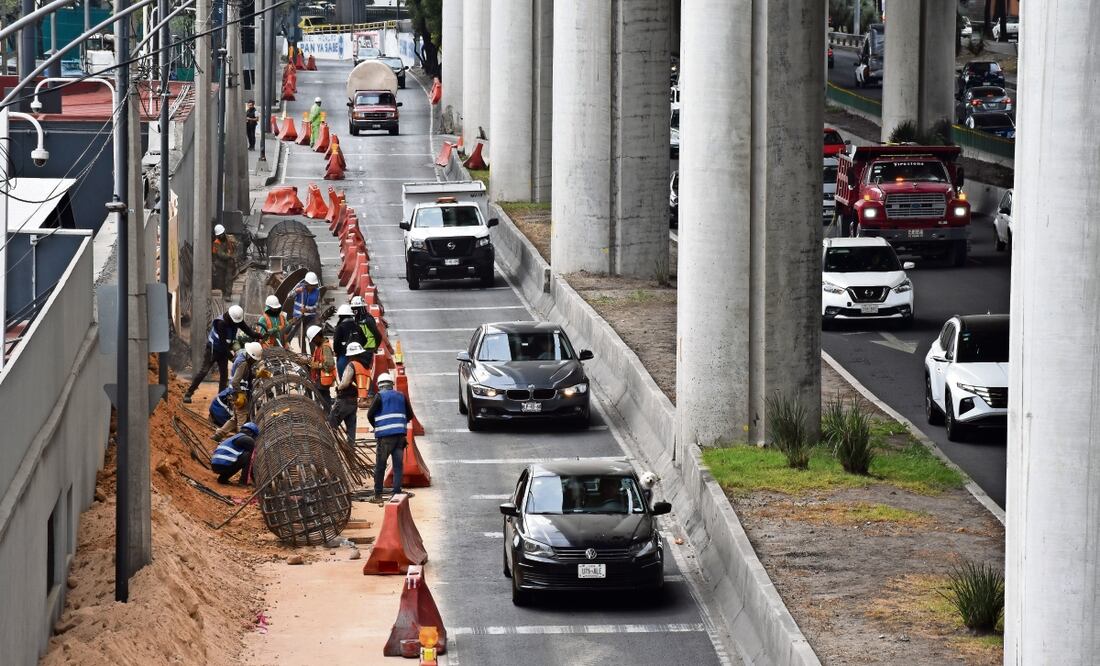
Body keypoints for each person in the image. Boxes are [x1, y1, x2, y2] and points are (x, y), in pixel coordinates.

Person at [184, 305, 260, 403]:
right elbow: (223, 344)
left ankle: (220, 398)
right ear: (230, 317)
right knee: (204, 371)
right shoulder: (221, 323)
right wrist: (232, 358)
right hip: (213, 350)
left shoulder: (236, 320)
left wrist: (259, 336)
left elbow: (248, 331)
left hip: (223, 350)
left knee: (224, 375)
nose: (236, 323)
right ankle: (188, 393)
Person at [366, 372, 416, 503]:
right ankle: (396, 494)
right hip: (400, 437)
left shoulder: (379, 396)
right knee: (398, 466)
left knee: (380, 466)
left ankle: (378, 496)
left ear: (379, 385)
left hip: (385, 438)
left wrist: (378, 425)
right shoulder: (401, 396)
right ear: (391, 384)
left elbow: (369, 414)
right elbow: (410, 415)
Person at [212, 341, 264, 440]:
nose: (254, 361)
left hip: (236, 392)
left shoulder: (242, 357)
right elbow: (235, 381)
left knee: (235, 418)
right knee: (242, 419)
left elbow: (245, 376)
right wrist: (240, 394)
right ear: (250, 356)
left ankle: (219, 434)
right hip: (239, 393)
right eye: (254, 359)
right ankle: (241, 440)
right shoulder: (243, 363)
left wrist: (256, 374)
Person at [328, 342, 372, 445]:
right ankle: (351, 452)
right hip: (354, 401)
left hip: (344, 400)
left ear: (351, 355)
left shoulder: (352, 365)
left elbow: (345, 383)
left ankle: (329, 448)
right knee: (351, 430)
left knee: (331, 424)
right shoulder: (365, 367)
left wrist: (338, 388)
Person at [307, 324, 337, 412]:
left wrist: (317, 365)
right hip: (319, 378)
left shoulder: (325, 347)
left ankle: (328, 417)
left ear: (317, 336)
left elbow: (330, 364)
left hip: (323, 379)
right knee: (322, 398)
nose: (313, 342)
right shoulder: (319, 346)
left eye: (313, 339)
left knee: (325, 399)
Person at [332, 302, 367, 376]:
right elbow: (364, 340)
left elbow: (336, 344)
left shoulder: (340, 328)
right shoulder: (357, 326)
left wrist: (339, 351)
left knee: (344, 379)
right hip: (358, 357)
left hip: (343, 357)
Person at [291, 271, 321, 350]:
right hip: (298, 317)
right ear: (306, 283)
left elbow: (316, 306)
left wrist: (307, 310)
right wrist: (296, 292)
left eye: (313, 285)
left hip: (310, 318)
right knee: (301, 336)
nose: (312, 287)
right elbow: (289, 296)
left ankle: (313, 355)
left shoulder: (317, 292)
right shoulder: (299, 287)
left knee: (311, 336)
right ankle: (303, 355)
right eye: (310, 285)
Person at [212, 224, 236, 299]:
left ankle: (228, 295)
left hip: (229, 263)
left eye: (222, 234)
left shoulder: (230, 239)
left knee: (229, 278)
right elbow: (220, 254)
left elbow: (235, 249)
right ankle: (223, 292)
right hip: (220, 263)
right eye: (219, 235)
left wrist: (234, 257)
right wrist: (230, 256)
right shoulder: (216, 243)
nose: (221, 236)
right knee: (221, 280)